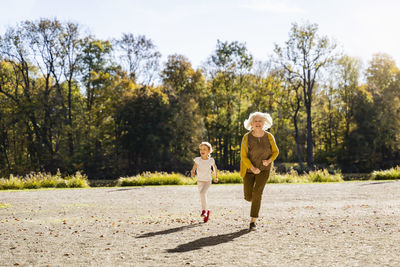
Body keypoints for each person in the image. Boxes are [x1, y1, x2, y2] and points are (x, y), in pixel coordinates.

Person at [240, 112, 279, 231]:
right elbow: (243, 156)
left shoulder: (269, 137)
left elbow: (275, 152)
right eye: (255, 121)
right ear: (251, 123)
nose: (258, 123)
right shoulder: (247, 137)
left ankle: (253, 222)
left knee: (257, 193)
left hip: (264, 170)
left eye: (260, 121)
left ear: (264, 123)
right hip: (249, 170)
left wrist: (268, 161)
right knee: (248, 196)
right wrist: (252, 168)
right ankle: (255, 201)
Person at [191, 142, 218, 223]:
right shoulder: (197, 160)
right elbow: (194, 168)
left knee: (203, 193)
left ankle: (204, 211)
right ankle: (207, 210)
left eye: (204, 149)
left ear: (209, 151)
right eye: (201, 149)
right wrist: (192, 172)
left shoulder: (211, 160)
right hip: (200, 181)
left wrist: (216, 177)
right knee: (202, 195)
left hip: (207, 181)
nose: (202, 151)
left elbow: (215, 168)